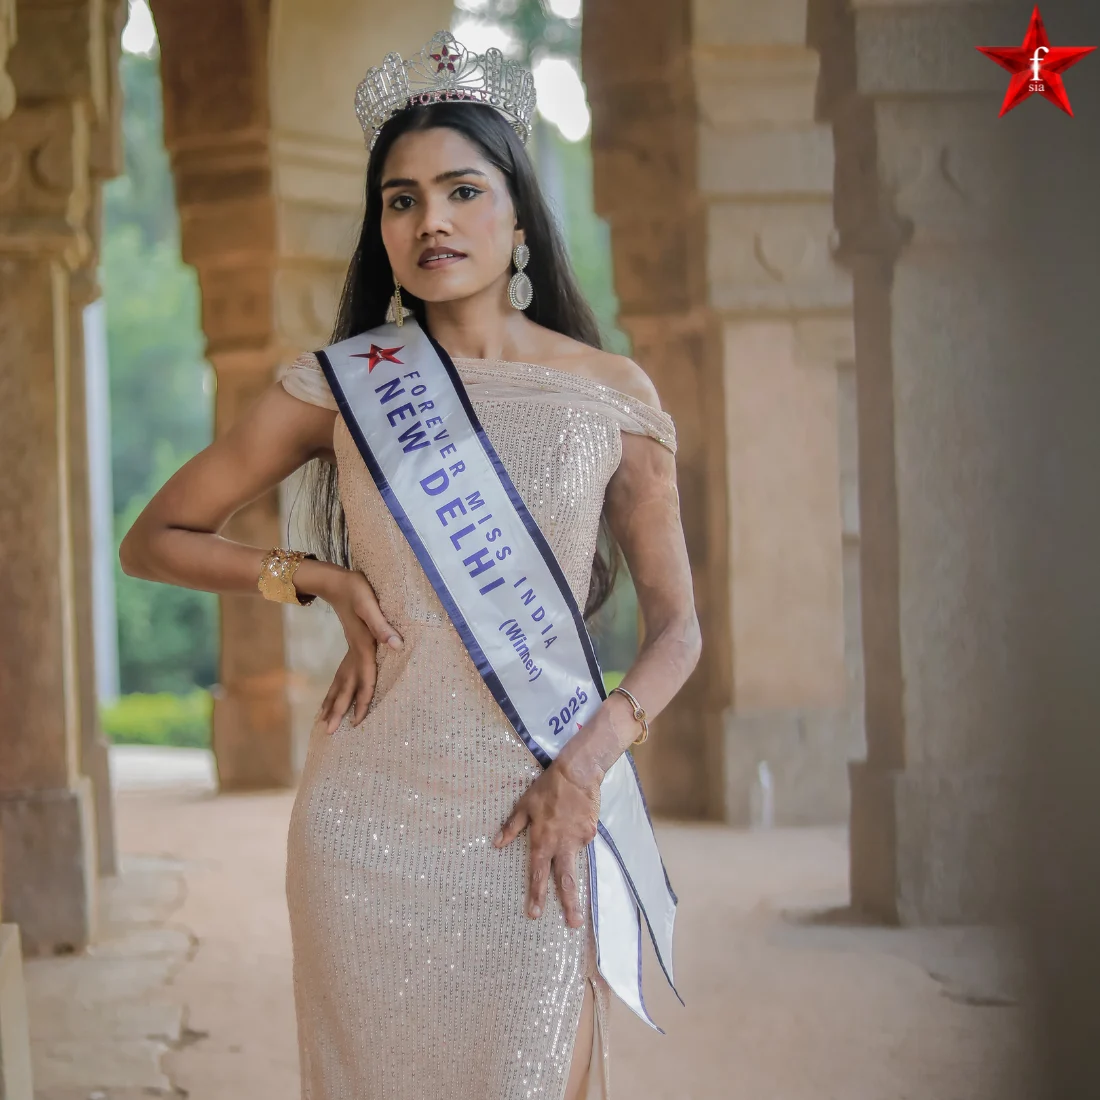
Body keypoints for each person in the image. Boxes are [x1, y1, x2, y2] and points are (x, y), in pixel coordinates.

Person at [119, 30, 700, 1100]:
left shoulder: (609, 394)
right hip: (365, 823)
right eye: (401, 200)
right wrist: (315, 576)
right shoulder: (344, 384)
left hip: (543, 802)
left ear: (517, 218)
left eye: (462, 190)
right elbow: (154, 537)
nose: (431, 220)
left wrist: (587, 763)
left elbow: (678, 630)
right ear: (381, 227)